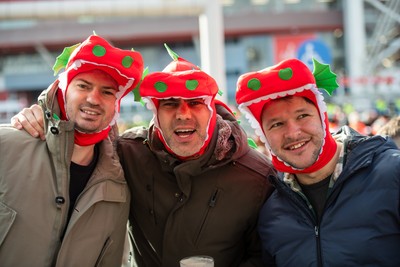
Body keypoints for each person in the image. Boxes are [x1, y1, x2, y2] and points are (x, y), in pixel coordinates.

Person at [11, 45, 275, 267]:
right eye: (170, 103)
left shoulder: (257, 176)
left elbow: (264, 255)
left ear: (212, 110)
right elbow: (77, 135)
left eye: (195, 103)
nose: (183, 114)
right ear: (155, 114)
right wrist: (43, 115)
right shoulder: (126, 152)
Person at [236, 58, 400, 266]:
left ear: (322, 117)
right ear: (264, 136)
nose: (293, 132)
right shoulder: (270, 212)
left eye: (302, 115)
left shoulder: (392, 173)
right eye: (277, 124)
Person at [1, 34, 144, 267]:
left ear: (116, 104)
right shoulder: (6, 147)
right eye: (83, 86)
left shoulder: (120, 183)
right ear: (63, 89)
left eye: (107, 92)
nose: (94, 99)